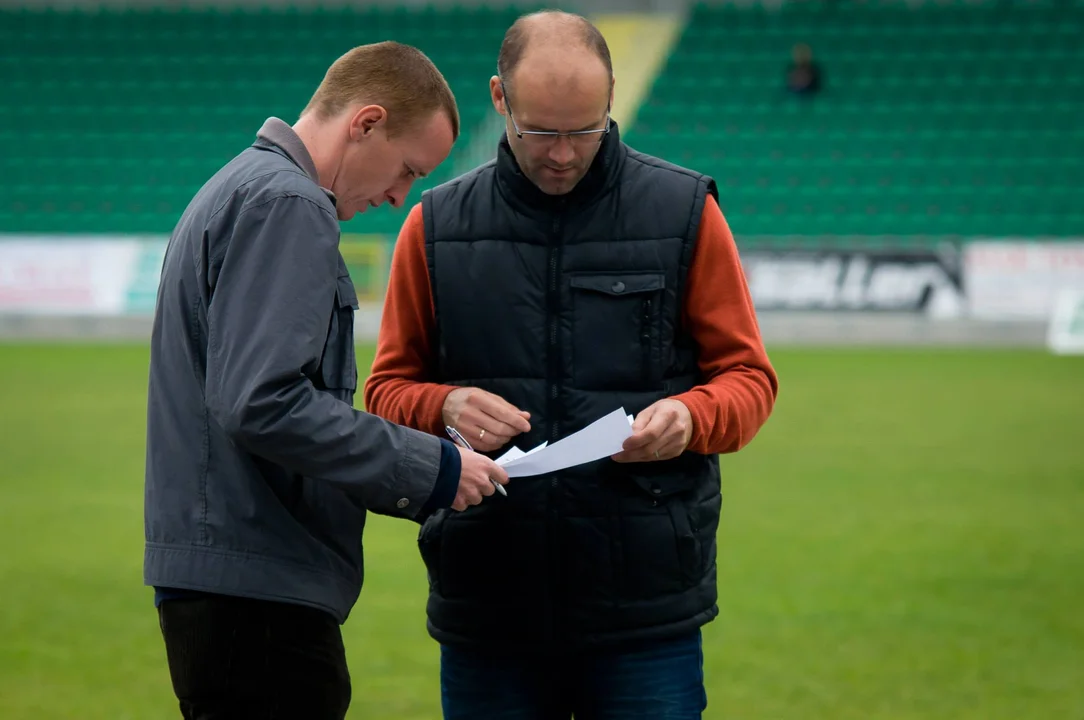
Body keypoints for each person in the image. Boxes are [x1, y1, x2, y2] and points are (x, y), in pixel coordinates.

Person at [364, 11, 779, 720]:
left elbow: (749, 379)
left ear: (612, 96)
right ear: (500, 99)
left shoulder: (684, 211)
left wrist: (690, 416)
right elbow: (383, 392)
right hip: (489, 605)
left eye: (584, 130)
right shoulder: (434, 226)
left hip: (645, 614)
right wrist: (443, 406)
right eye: (541, 132)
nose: (563, 154)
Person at [143, 41, 511, 720]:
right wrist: (431, 466)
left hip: (227, 577)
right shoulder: (289, 204)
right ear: (365, 123)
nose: (401, 198)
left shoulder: (236, 186)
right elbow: (263, 402)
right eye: (406, 171)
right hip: (257, 591)